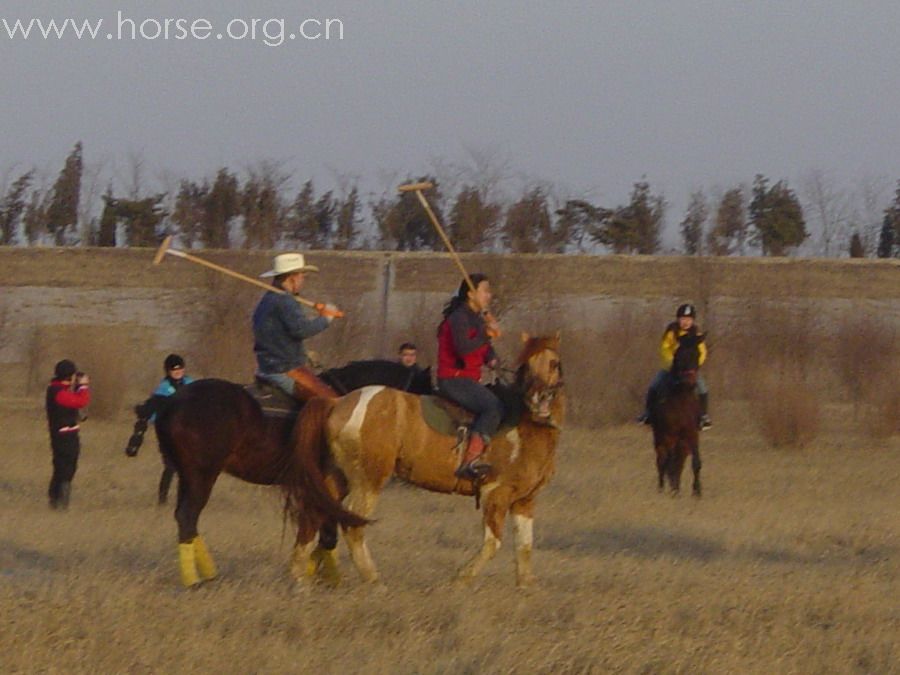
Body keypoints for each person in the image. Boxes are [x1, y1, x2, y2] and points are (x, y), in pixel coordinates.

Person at [436, 273, 504, 480]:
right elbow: (463, 349)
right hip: (453, 379)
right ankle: (469, 461)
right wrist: (487, 334)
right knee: (493, 407)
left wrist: (492, 359)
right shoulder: (459, 317)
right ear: (471, 294)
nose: (489, 296)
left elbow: (483, 349)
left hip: (471, 378)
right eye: (485, 290)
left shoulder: (477, 318)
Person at [253, 252, 342, 401]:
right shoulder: (285, 301)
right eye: (302, 276)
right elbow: (302, 330)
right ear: (292, 277)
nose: (303, 280)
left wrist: (302, 352)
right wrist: (326, 318)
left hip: (266, 367)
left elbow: (277, 337)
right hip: (285, 370)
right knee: (332, 403)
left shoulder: (267, 300)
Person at [125, 354, 195, 504]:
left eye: (180, 369)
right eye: (174, 370)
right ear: (168, 371)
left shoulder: (191, 384)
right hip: (168, 434)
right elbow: (153, 414)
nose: (178, 372)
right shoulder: (163, 390)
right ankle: (162, 499)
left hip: (188, 433)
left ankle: (186, 498)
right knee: (170, 466)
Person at [637, 303, 712, 430]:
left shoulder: (696, 334)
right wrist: (671, 362)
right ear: (678, 319)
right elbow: (664, 348)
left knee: (703, 388)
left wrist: (694, 364)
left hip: (689, 369)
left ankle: (704, 416)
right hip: (671, 368)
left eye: (688, 319)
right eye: (683, 319)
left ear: (693, 320)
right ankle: (648, 414)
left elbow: (702, 351)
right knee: (654, 385)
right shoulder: (672, 332)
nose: (685, 322)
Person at [45, 359, 91, 510]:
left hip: (65, 435)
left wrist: (78, 387)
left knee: (62, 467)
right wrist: (83, 386)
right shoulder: (58, 392)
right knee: (65, 468)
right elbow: (80, 401)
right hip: (64, 437)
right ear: (69, 376)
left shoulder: (57, 389)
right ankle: (60, 503)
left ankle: (56, 500)